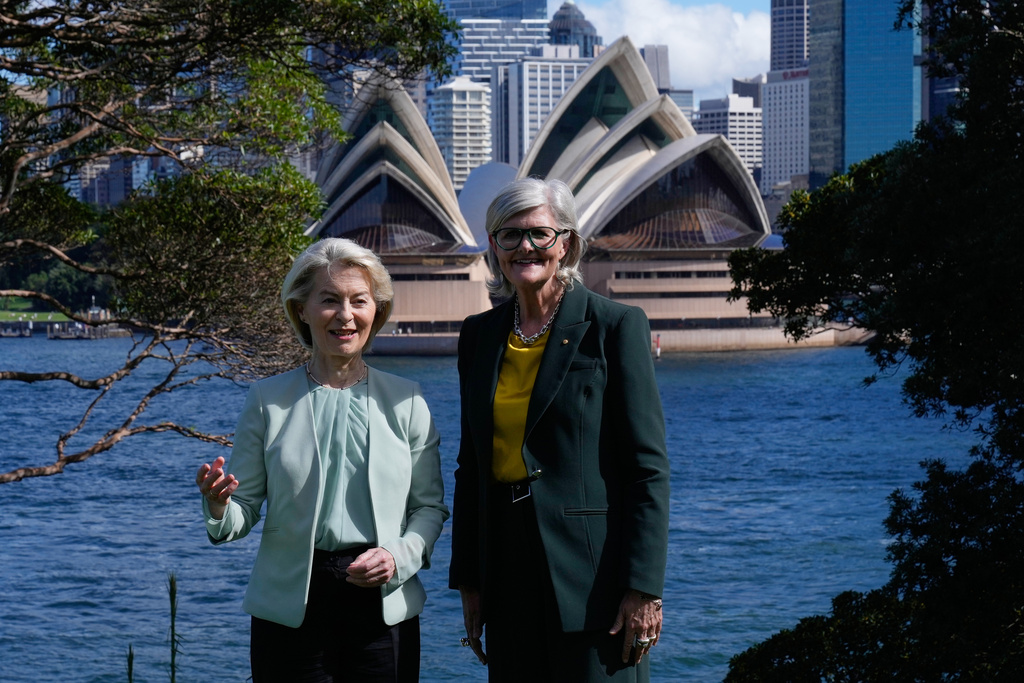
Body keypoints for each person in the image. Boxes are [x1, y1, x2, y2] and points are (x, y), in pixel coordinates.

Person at [195, 237, 449, 682]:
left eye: (359, 301)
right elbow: (242, 513)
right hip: (290, 606)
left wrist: (398, 556)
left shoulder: (408, 400)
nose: (346, 315)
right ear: (302, 310)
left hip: (382, 601)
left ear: (377, 311)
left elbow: (428, 508)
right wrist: (218, 505)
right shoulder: (266, 400)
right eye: (330, 300)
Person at [449, 178, 671, 681]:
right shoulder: (479, 336)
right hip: (504, 566)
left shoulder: (614, 326)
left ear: (566, 243)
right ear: (493, 247)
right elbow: (471, 467)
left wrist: (644, 588)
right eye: (509, 235)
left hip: (594, 575)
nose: (524, 246)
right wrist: (470, 581)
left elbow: (647, 470)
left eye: (539, 234)